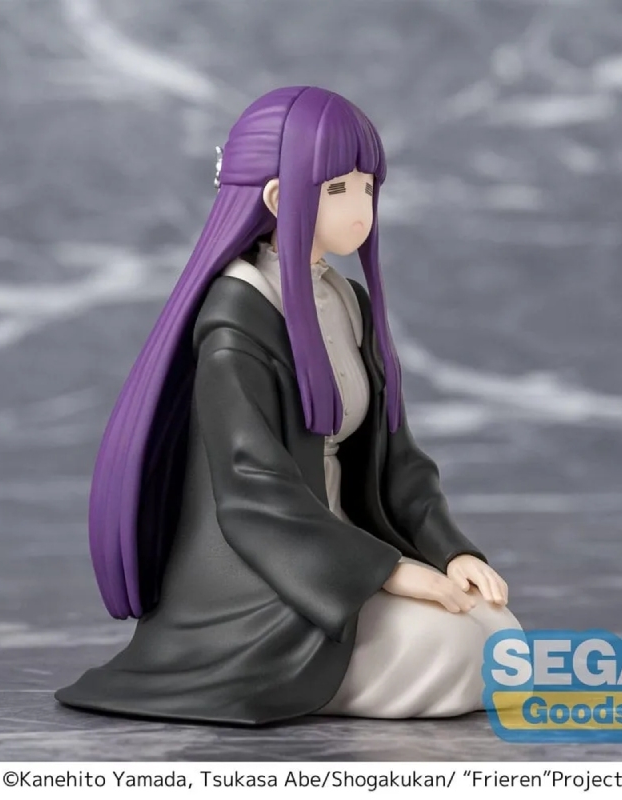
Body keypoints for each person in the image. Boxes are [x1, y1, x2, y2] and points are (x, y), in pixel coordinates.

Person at [55, 86, 521, 725]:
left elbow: (397, 460)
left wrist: (448, 551)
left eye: (367, 187)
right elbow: (253, 491)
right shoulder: (237, 317)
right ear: (278, 197)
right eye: (338, 189)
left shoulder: (348, 302)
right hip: (270, 580)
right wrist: (386, 571)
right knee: (461, 650)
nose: (360, 209)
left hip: (348, 551)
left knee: (497, 630)